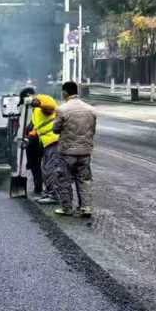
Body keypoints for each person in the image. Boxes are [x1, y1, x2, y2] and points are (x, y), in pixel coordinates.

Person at [53, 80, 97, 217]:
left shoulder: (62, 109)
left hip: (67, 152)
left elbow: (55, 129)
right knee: (84, 179)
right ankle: (86, 207)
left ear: (65, 92)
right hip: (85, 151)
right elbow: (93, 130)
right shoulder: (90, 109)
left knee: (64, 179)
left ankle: (66, 208)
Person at [28, 92, 63, 205]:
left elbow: (51, 105)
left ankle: (54, 195)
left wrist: (38, 101)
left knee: (51, 169)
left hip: (54, 140)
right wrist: (32, 134)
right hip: (47, 142)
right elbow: (39, 125)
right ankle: (49, 192)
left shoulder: (42, 100)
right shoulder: (35, 111)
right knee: (46, 169)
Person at [16, 86, 44, 197]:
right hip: (28, 137)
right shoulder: (23, 107)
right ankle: (38, 186)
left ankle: (39, 187)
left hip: (35, 138)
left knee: (35, 163)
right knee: (33, 163)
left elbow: (34, 124)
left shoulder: (36, 107)